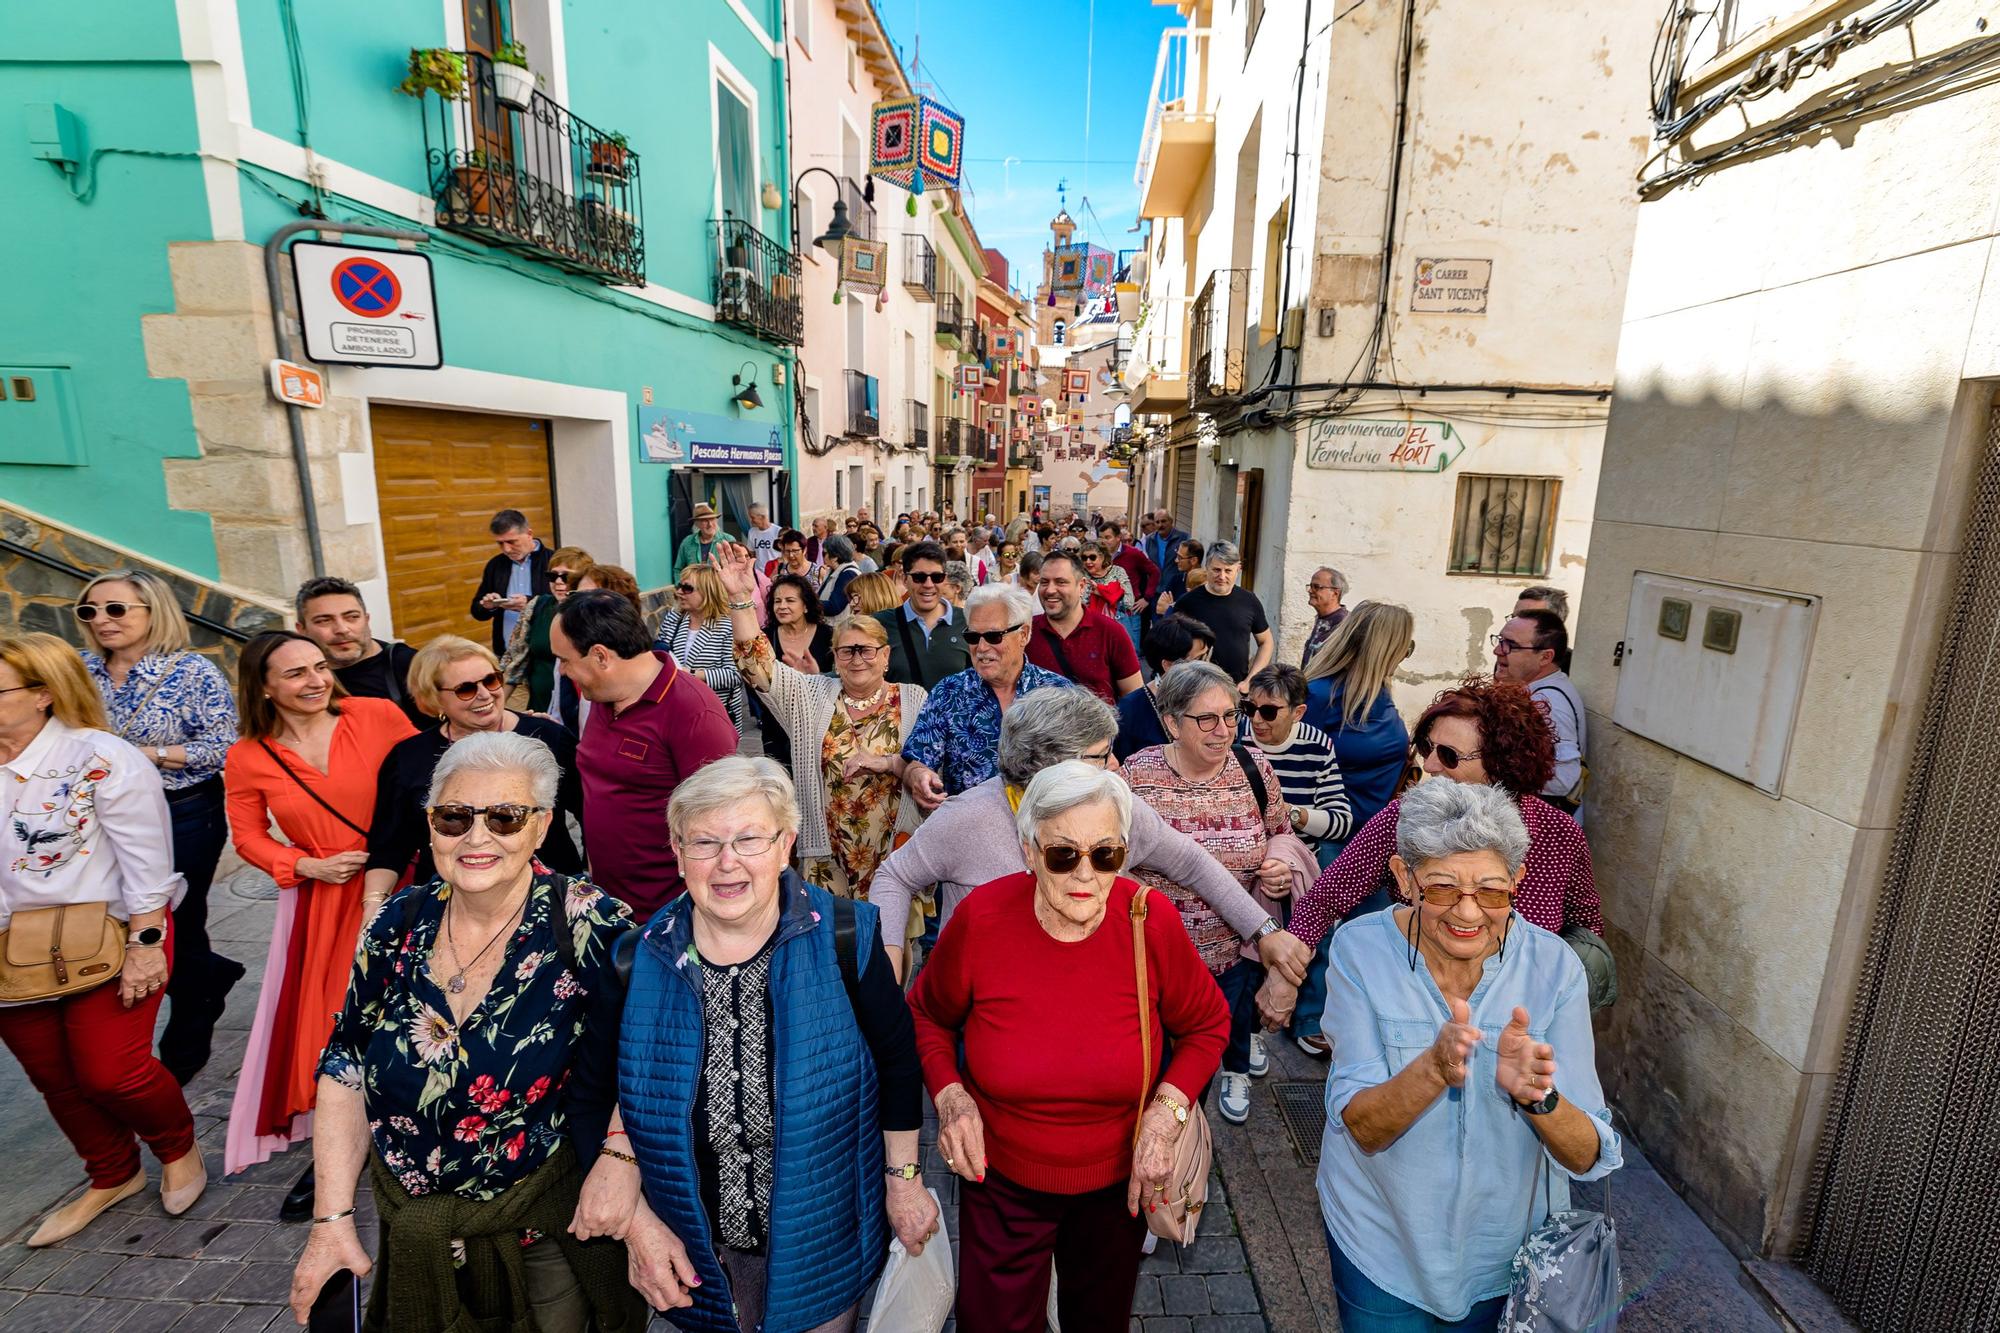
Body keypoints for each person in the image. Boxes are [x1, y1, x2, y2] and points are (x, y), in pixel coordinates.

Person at [289, 732, 646, 1333]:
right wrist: (331, 1220)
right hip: (414, 1226)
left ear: (541, 827)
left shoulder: (591, 924)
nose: (476, 837)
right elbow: (345, 1064)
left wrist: (620, 1162)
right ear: (430, 826)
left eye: (505, 818)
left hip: (545, 1231)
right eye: (454, 817)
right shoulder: (398, 922)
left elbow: (649, 1061)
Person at [616, 758, 937, 1330]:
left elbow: (897, 1064)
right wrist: (634, 1212)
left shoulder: (847, 935)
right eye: (705, 842)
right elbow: (599, 1089)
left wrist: (905, 1181)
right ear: (677, 851)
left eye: (749, 839)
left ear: (786, 843)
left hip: (822, 1240)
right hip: (697, 1249)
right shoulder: (638, 956)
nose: (726, 862)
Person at [910, 761, 1228, 1332]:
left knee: (1097, 1322)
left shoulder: (1148, 919)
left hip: (1117, 1184)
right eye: (1063, 854)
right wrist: (951, 1097)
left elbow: (1207, 1024)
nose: (1086, 873)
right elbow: (928, 1014)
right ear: (1030, 851)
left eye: (1105, 854)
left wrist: (1167, 1111)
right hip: (1001, 1182)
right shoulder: (982, 920)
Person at [1319, 780, 1619, 1331]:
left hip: (1504, 1261)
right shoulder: (1360, 952)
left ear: (1518, 883)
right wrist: (1433, 1069)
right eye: (1440, 889)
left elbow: (1587, 1155)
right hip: (1382, 1249)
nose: (1468, 912)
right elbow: (1361, 1126)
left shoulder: (1555, 969)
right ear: (1404, 878)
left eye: (1491, 892)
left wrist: (1540, 1099)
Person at [869, 688, 1313, 990]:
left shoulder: (1118, 809)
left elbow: (1193, 864)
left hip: (1087, 997)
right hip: (982, 1008)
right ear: (1051, 764)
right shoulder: (968, 818)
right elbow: (894, 876)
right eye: (1102, 756)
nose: (1118, 766)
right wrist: (887, 958)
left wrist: (1265, 930)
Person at [0, 634, 205, 1246]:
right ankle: (112, 1175)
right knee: (53, 1077)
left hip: (112, 936)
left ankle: (178, 1150)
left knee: (113, 1073)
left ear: (42, 695)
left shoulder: (100, 757)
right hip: (11, 948)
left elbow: (147, 860)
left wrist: (148, 942)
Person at [222, 631, 417, 1216]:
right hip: (328, 898)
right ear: (263, 687)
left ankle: (422, 1128)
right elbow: (248, 836)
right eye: (296, 673)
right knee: (342, 1021)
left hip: (408, 883)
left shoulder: (376, 715)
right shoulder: (249, 756)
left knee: (419, 1007)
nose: (316, 681)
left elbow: (435, 768)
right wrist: (303, 863)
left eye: (320, 667)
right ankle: (339, 1150)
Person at [1288, 678, 1608, 1030]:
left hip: (1520, 1026)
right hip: (1414, 1017)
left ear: (1503, 763)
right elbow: (1324, 898)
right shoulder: (1404, 818)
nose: (1431, 766)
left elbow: (1585, 925)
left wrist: (1565, 1003)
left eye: (1449, 755)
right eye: (1428, 748)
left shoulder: (1559, 834)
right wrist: (1286, 973)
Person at [1123, 662, 1315, 1125]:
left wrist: (1279, 866)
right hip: (1149, 964)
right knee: (1143, 1071)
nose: (1224, 730)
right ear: (1171, 722)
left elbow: (1281, 832)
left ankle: (1184, 1156)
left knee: (1194, 1074)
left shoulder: (1255, 768)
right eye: (1206, 719)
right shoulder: (1135, 776)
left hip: (1227, 961)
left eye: (1232, 715)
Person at [77, 570, 243, 1083]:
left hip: (182, 809)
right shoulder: (79, 669)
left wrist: (142, 756)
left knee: (174, 915)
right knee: (126, 912)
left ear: (153, 612)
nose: (102, 620)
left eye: (116, 609)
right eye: (90, 611)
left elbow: (223, 746)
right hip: (102, 813)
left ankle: (191, 1023)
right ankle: (208, 975)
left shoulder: (191, 671)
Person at [715, 543, 925, 898]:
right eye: (847, 651)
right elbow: (757, 663)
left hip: (894, 853)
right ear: (835, 657)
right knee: (833, 942)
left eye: (866, 650)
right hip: (829, 860)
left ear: (885, 655)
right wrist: (739, 597)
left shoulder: (914, 699)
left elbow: (930, 769)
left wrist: (891, 764)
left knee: (889, 946)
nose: (857, 659)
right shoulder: (810, 696)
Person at [550, 591, 737, 918]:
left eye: (565, 660)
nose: (562, 671)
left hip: (669, 917)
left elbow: (722, 827)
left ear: (601, 656)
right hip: (609, 905)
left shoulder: (694, 713)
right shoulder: (601, 698)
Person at [363, 635, 585, 908]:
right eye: (465, 689)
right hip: (451, 906)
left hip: (549, 899)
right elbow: (390, 848)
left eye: (491, 680)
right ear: (434, 699)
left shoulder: (550, 737)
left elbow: (592, 816)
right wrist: (373, 905)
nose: (485, 694)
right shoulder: (409, 758)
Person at [1293, 602, 1417, 1056]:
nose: (1408, 653)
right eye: (1405, 644)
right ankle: (1308, 1016)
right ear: (1385, 646)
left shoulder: (1380, 694)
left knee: (1376, 933)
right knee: (1323, 929)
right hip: (1333, 834)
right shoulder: (1320, 695)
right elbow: (1290, 758)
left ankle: (1352, 1017)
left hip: (1380, 833)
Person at [900, 583, 1073, 808]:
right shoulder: (949, 693)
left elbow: (1086, 766)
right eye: (972, 637)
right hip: (970, 831)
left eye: (993, 636)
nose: (981, 647)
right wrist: (918, 777)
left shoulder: (1059, 695)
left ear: (1024, 634)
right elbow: (918, 762)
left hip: (1044, 830)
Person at [1247, 664, 1353, 852]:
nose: (1256, 719)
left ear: (1297, 713)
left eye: (1268, 712)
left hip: (1293, 861)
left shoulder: (1317, 745)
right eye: (1249, 707)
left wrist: (1288, 812)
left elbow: (1340, 822)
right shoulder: (1235, 733)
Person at [295, 576, 424, 727]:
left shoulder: (408, 665)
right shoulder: (297, 680)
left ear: (366, 620)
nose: (342, 629)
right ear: (301, 630)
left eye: (352, 617)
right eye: (324, 621)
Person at [1494, 610, 1586, 812]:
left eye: (1511, 645)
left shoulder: (1547, 702)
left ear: (1545, 657)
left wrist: (1493, 770)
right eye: (1500, 640)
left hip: (1540, 829)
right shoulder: (1544, 690)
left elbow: (1563, 779)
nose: (1498, 650)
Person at [1026, 550, 1143, 705]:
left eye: (1061, 582)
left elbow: (1134, 698)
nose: (1050, 590)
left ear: (1081, 586)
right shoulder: (1025, 632)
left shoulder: (1111, 632)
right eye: (1044, 582)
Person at [653, 562, 746, 732]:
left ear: (708, 592)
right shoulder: (674, 619)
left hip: (714, 715)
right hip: (677, 712)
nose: (679, 592)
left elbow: (736, 675)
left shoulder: (727, 625)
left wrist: (693, 675)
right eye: (679, 585)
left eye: (687, 588)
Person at [756, 572, 836, 767]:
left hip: (820, 724)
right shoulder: (764, 638)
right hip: (777, 724)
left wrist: (815, 678)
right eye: (777, 601)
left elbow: (841, 679)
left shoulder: (829, 635)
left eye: (790, 600)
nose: (782, 606)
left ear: (806, 605)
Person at [500, 544, 592, 713]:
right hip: (540, 705)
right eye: (552, 575)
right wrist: (497, 707)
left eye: (566, 577)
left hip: (580, 707)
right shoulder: (536, 606)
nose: (558, 582)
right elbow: (516, 662)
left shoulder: (592, 612)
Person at [1115, 614, 1217, 761]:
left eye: (1207, 656)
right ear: (1168, 665)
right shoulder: (1130, 709)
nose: (1207, 665)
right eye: (1198, 660)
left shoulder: (1217, 697)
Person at [1171, 541, 1271, 688]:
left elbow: (1266, 642)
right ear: (1207, 568)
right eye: (1216, 570)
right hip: (1195, 690)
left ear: (1238, 569)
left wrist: (1250, 680)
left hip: (1236, 690)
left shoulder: (1249, 600)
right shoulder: (1187, 603)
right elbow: (1171, 648)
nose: (1222, 576)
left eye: (1228, 571)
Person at [875, 540, 970, 688]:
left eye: (936, 577)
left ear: (944, 580)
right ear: (905, 580)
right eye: (919, 577)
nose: (928, 584)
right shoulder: (880, 624)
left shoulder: (968, 622)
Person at [470, 509, 552, 657]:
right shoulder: (495, 565)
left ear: (529, 534)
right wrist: (488, 606)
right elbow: (476, 611)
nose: (506, 549)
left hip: (545, 654)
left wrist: (530, 603)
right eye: (500, 543)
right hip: (507, 653)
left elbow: (568, 604)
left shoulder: (553, 561)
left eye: (512, 542)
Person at [1078, 541, 1138, 625]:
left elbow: (1129, 603)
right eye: (1084, 558)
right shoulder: (1081, 575)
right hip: (1090, 623)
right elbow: (1079, 604)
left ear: (1102, 557)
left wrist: (1102, 593)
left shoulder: (1117, 572)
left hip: (1117, 622)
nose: (1088, 561)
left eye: (1092, 557)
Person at [1300, 567, 1350, 666]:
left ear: (1335, 593)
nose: (1310, 591)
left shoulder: (1345, 623)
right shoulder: (1322, 618)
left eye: (1317, 587)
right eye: (1310, 586)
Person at [673, 502, 735, 580]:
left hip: (721, 588)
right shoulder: (687, 542)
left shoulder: (728, 540)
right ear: (696, 523)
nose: (710, 524)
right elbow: (678, 570)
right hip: (695, 589)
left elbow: (735, 567)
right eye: (705, 521)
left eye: (712, 519)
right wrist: (681, 586)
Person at [818, 535, 863, 616]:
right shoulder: (834, 570)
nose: (822, 556)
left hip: (840, 626)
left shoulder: (848, 574)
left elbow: (835, 606)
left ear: (835, 557)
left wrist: (808, 604)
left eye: (824, 553)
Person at [1158, 538, 1203, 612]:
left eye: (1180, 557)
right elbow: (1159, 609)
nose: (1176, 560)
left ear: (1194, 560)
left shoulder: (1205, 584)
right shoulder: (1175, 580)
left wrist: (1170, 608)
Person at [744, 502, 783, 570]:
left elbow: (785, 554)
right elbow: (751, 553)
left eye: (753, 517)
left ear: (762, 517)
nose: (751, 521)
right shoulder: (752, 532)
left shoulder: (778, 531)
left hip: (775, 573)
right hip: (758, 573)